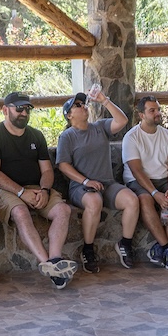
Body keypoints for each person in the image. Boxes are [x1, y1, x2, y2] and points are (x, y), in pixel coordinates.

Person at [0, 92, 78, 289]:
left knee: (63, 210)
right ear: (5, 110)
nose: (24, 113)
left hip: (36, 188)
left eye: (27, 109)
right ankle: (48, 264)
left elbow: (47, 170)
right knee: (20, 212)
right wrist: (20, 193)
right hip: (4, 190)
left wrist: (45, 190)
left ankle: (55, 259)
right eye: (19, 109)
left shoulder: (36, 135)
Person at [56, 90, 138, 274]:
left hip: (107, 184)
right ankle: (88, 249)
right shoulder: (67, 136)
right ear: (69, 115)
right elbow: (63, 165)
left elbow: (122, 121)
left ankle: (125, 244)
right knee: (94, 202)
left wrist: (104, 101)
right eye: (78, 105)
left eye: (83, 103)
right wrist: (86, 181)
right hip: (81, 187)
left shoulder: (100, 127)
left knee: (132, 200)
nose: (83, 106)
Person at [122, 95, 168, 270]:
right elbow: (136, 171)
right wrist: (155, 194)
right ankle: (167, 247)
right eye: (152, 110)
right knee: (145, 200)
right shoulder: (131, 137)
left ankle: (159, 246)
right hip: (138, 180)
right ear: (141, 115)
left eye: (158, 109)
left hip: (164, 179)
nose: (157, 113)